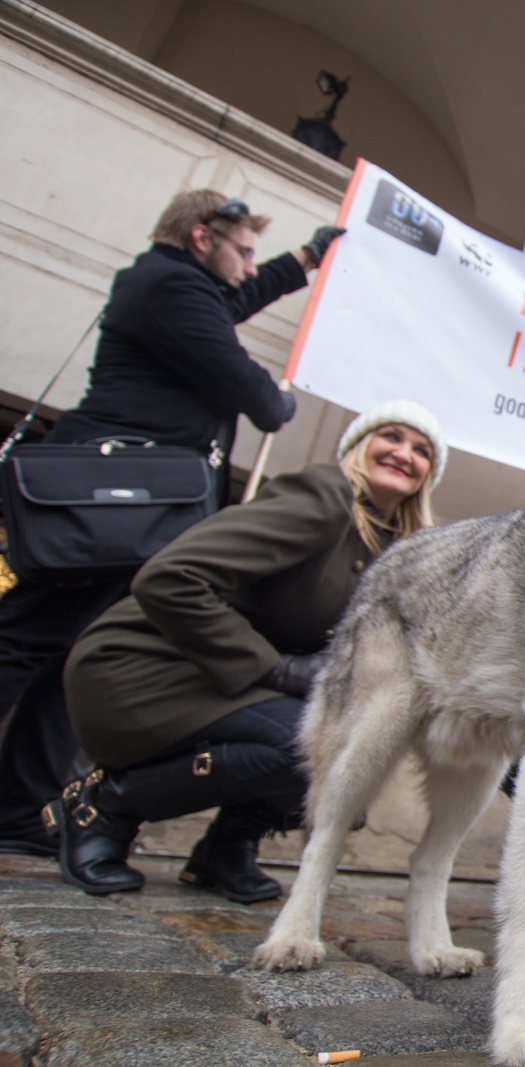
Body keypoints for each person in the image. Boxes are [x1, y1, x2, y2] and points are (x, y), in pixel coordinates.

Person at [0, 190, 342, 855]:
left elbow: (235, 299)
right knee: (19, 645)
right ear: (198, 238)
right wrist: (281, 395)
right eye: (242, 251)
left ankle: (16, 809)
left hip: (127, 510)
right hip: (105, 504)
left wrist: (304, 259)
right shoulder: (169, 289)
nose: (249, 268)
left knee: (64, 658)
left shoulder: (179, 286)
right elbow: (258, 399)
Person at [48, 401, 443, 901]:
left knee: (354, 764)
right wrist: (274, 669)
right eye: (391, 437)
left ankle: (227, 846)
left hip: (223, 687)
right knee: (311, 754)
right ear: (359, 447)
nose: (405, 454)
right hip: (145, 669)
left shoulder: (400, 553)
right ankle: (102, 806)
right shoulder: (325, 495)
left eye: (422, 450)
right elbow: (170, 579)